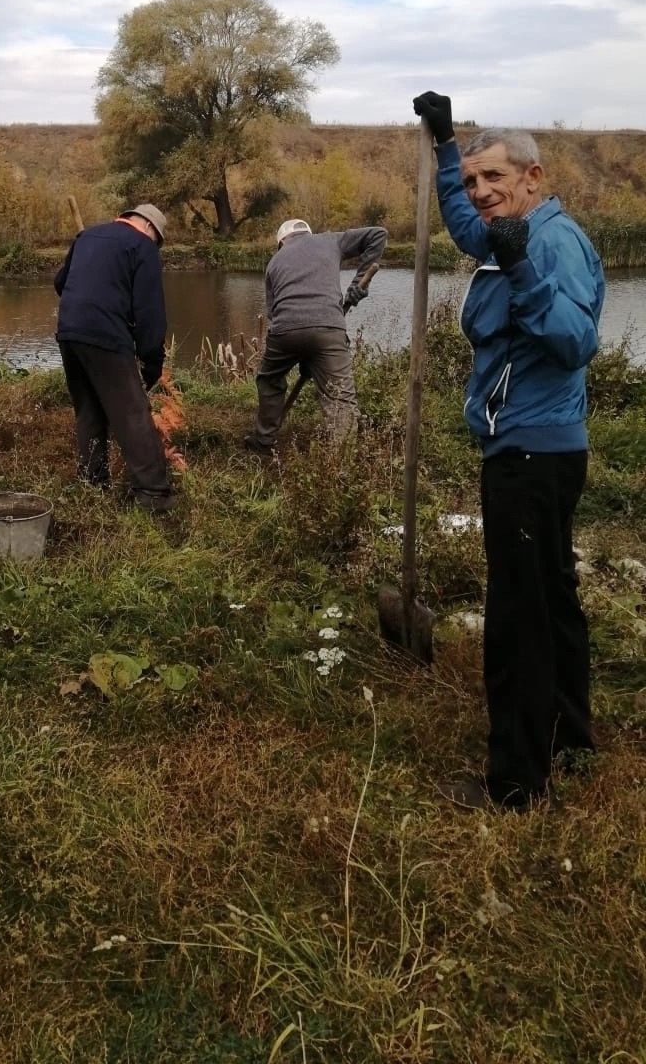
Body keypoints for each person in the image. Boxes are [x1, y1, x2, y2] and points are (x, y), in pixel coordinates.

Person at [413, 91, 605, 811]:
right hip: (538, 450)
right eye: (473, 179)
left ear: (534, 176)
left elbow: (574, 343)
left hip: (529, 455)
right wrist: (443, 149)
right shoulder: (510, 228)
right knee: (552, 599)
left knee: (519, 616)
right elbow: (468, 230)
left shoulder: (548, 241)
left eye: (495, 177)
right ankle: (570, 742)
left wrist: (523, 269)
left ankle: (517, 784)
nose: (481, 192)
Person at [54, 203, 174, 512]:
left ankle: (92, 484)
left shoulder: (87, 237)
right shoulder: (143, 246)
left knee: (89, 411)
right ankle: (153, 494)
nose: (155, 246)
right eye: (157, 241)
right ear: (150, 229)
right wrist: (151, 360)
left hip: (69, 333)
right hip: (105, 334)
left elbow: (59, 283)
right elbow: (149, 311)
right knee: (132, 413)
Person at [245, 217, 387, 451]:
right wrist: (357, 284)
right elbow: (378, 234)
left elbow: (272, 312)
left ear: (281, 242)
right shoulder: (330, 240)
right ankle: (341, 460)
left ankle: (264, 439)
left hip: (284, 331)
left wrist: (300, 351)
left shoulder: (273, 262)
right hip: (329, 327)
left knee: (269, 380)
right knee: (340, 395)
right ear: (308, 233)